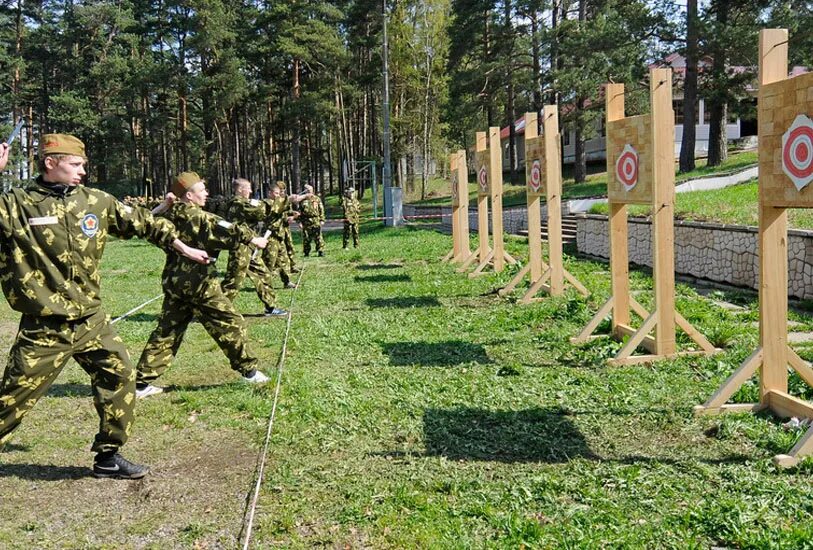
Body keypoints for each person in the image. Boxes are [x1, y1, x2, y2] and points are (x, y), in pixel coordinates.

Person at [0, 135, 209, 479]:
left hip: (91, 319)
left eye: (83, 164)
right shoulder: (17, 205)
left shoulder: (96, 201)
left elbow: (145, 221)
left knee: (120, 377)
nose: (83, 170)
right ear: (50, 163)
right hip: (44, 326)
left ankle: (108, 456)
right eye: (76, 164)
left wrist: (182, 247)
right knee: (12, 399)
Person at [135, 172, 270, 399]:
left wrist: (162, 206)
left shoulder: (169, 215)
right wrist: (255, 239)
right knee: (230, 322)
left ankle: (140, 383)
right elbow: (228, 228)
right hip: (199, 284)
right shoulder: (198, 217)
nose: (206, 194)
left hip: (174, 281)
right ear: (189, 195)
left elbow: (144, 223)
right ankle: (250, 371)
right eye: (202, 190)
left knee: (168, 331)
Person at [220, 178, 286, 316]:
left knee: (264, 274)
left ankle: (270, 307)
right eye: (248, 188)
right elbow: (262, 210)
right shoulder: (238, 203)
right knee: (233, 282)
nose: (250, 191)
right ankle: (216, 310)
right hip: (240, 248)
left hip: (250, 247)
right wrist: (285, 200)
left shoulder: (242, 204)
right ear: (239, 189)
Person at [262, 183, 308, 288]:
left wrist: (290, 217)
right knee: (269, 262)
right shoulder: (266, 203)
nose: (278, 195)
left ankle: (287, 282)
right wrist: (290, 198)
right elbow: (275, 209)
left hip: (280, 236)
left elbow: (282, 215)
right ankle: (264, 284)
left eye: (279, 193)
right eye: (276, 193)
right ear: (270, 193)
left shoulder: (278, 203)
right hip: (271, 237)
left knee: (284, 261)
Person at [299, 184, 325, 257]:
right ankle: (306, 252)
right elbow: (299, 212)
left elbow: (321, 209)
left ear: (312, 190)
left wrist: (322, 219)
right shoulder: (302, 200)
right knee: (306, 237)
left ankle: (321, 251)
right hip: (306, 220)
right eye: (307, 190)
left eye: (310, 190)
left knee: (318, 237)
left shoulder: (317, 199)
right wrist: (300, 222)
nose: (308, 192)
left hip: (315, 219)